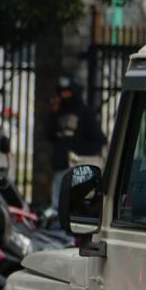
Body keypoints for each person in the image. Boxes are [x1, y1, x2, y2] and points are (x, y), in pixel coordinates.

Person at [47, 75, 106, 210]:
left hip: (78, 168)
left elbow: (98, 140)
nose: (64, 96)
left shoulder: (86, 113)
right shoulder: (58, 112)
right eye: (62, 92)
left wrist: (77, 154)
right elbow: (50, 135)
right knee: (57, 207)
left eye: (67, 92)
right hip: (60, 166)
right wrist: (53, 113)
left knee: (76, 206)